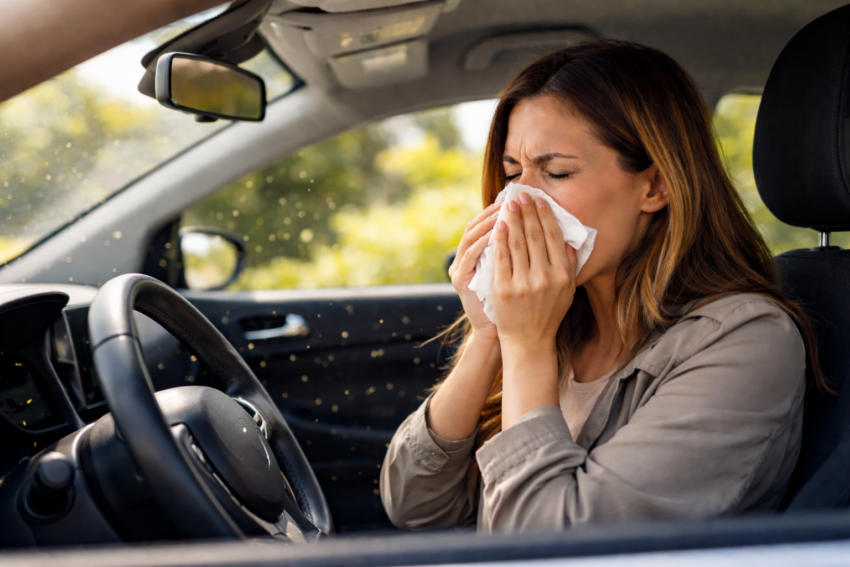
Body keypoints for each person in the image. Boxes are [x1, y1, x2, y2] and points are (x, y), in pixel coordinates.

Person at [380, 39, 825, 533]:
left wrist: (527, 345)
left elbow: (548, 549)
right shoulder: (563, 320)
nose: (517, 202)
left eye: (556, 172)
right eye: (512, 174)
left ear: (655, 186)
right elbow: (415, 506)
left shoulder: (745, 339)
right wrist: (489, 336)